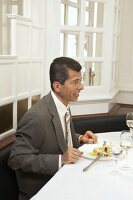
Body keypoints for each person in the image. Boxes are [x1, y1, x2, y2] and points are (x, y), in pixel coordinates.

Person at [8, 57, 97, 200]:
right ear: (57, 86)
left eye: (80, 80)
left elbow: (58, 137)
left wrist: (79, 138)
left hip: (66, 180)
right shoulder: (36, 117)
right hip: (43, 191)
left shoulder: (62, 105)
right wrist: (60, 159)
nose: (81, 87)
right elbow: (16, 159)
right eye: (75, 82)